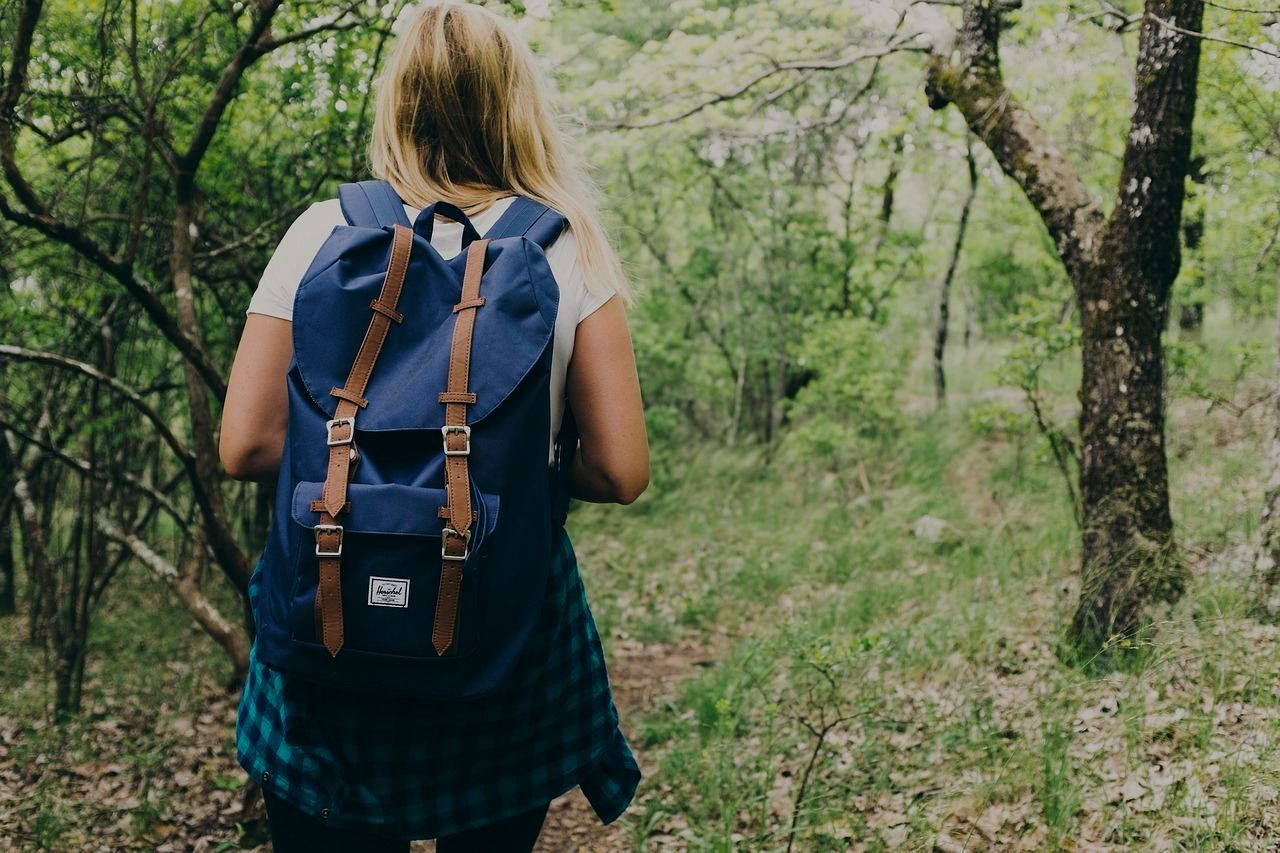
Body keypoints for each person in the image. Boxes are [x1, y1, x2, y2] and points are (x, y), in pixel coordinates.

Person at [218, 3, 649, 849]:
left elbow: (247, 444)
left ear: (399, 102)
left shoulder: (322, 232)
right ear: (514, 103)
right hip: (501, 638)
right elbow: (621, 471)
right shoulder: (569, 250)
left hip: (330, 627)